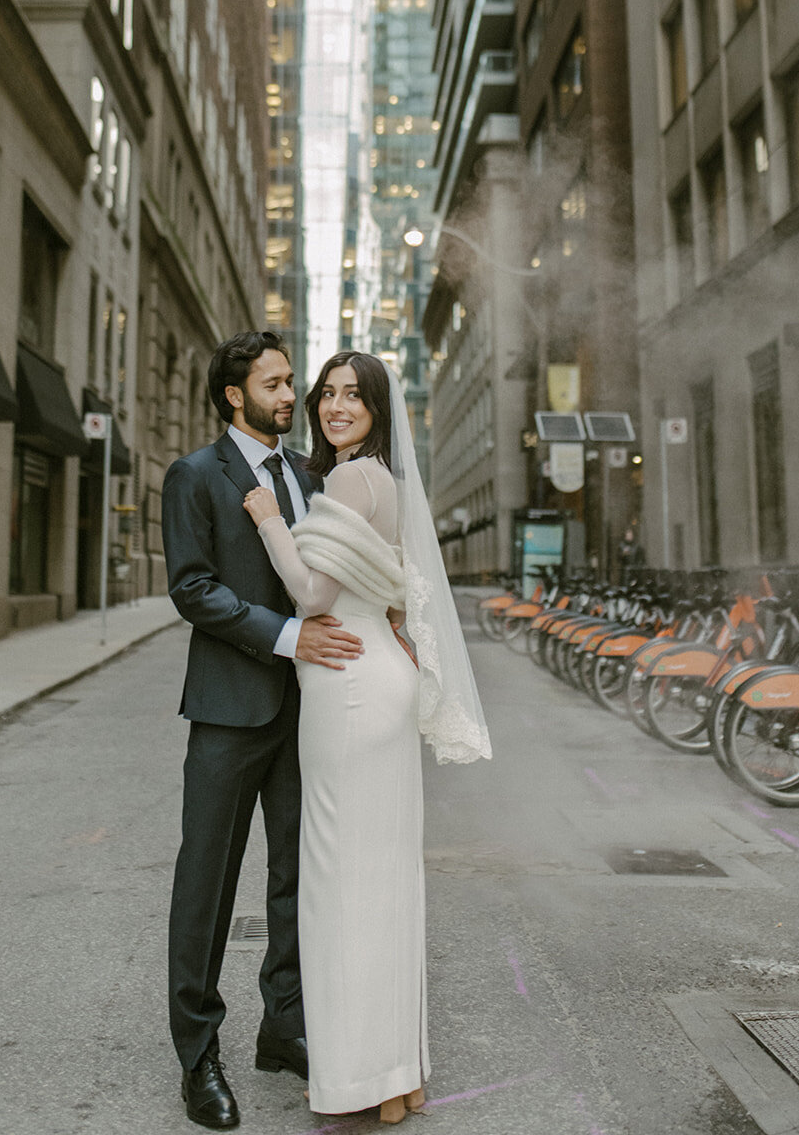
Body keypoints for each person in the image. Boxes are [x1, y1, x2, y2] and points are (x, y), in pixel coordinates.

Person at [243, 351, 490, 1124]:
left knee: (336, 889)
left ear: (380, 409)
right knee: (383, 886)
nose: (335, 406)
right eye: (328, 394)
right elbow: (384, 592)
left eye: (355, 396)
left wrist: (270, 521)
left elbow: (313, 593)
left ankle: (353, 1083)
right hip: (377, 681)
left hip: (347, 692)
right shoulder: (385, 483)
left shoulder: (349, 479)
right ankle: (396, 1077)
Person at [162, 331, 366, 1131]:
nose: (292, 397)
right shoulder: (194, 475)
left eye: (293, 384)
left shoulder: (312, 477)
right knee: (205, 888)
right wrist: (287, 638)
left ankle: (284, 1028)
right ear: (232, 395)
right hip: (226, 711)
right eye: (276, 384)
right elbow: (193, 588)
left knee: (296, 878)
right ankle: (196, 1055)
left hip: (304, 712)